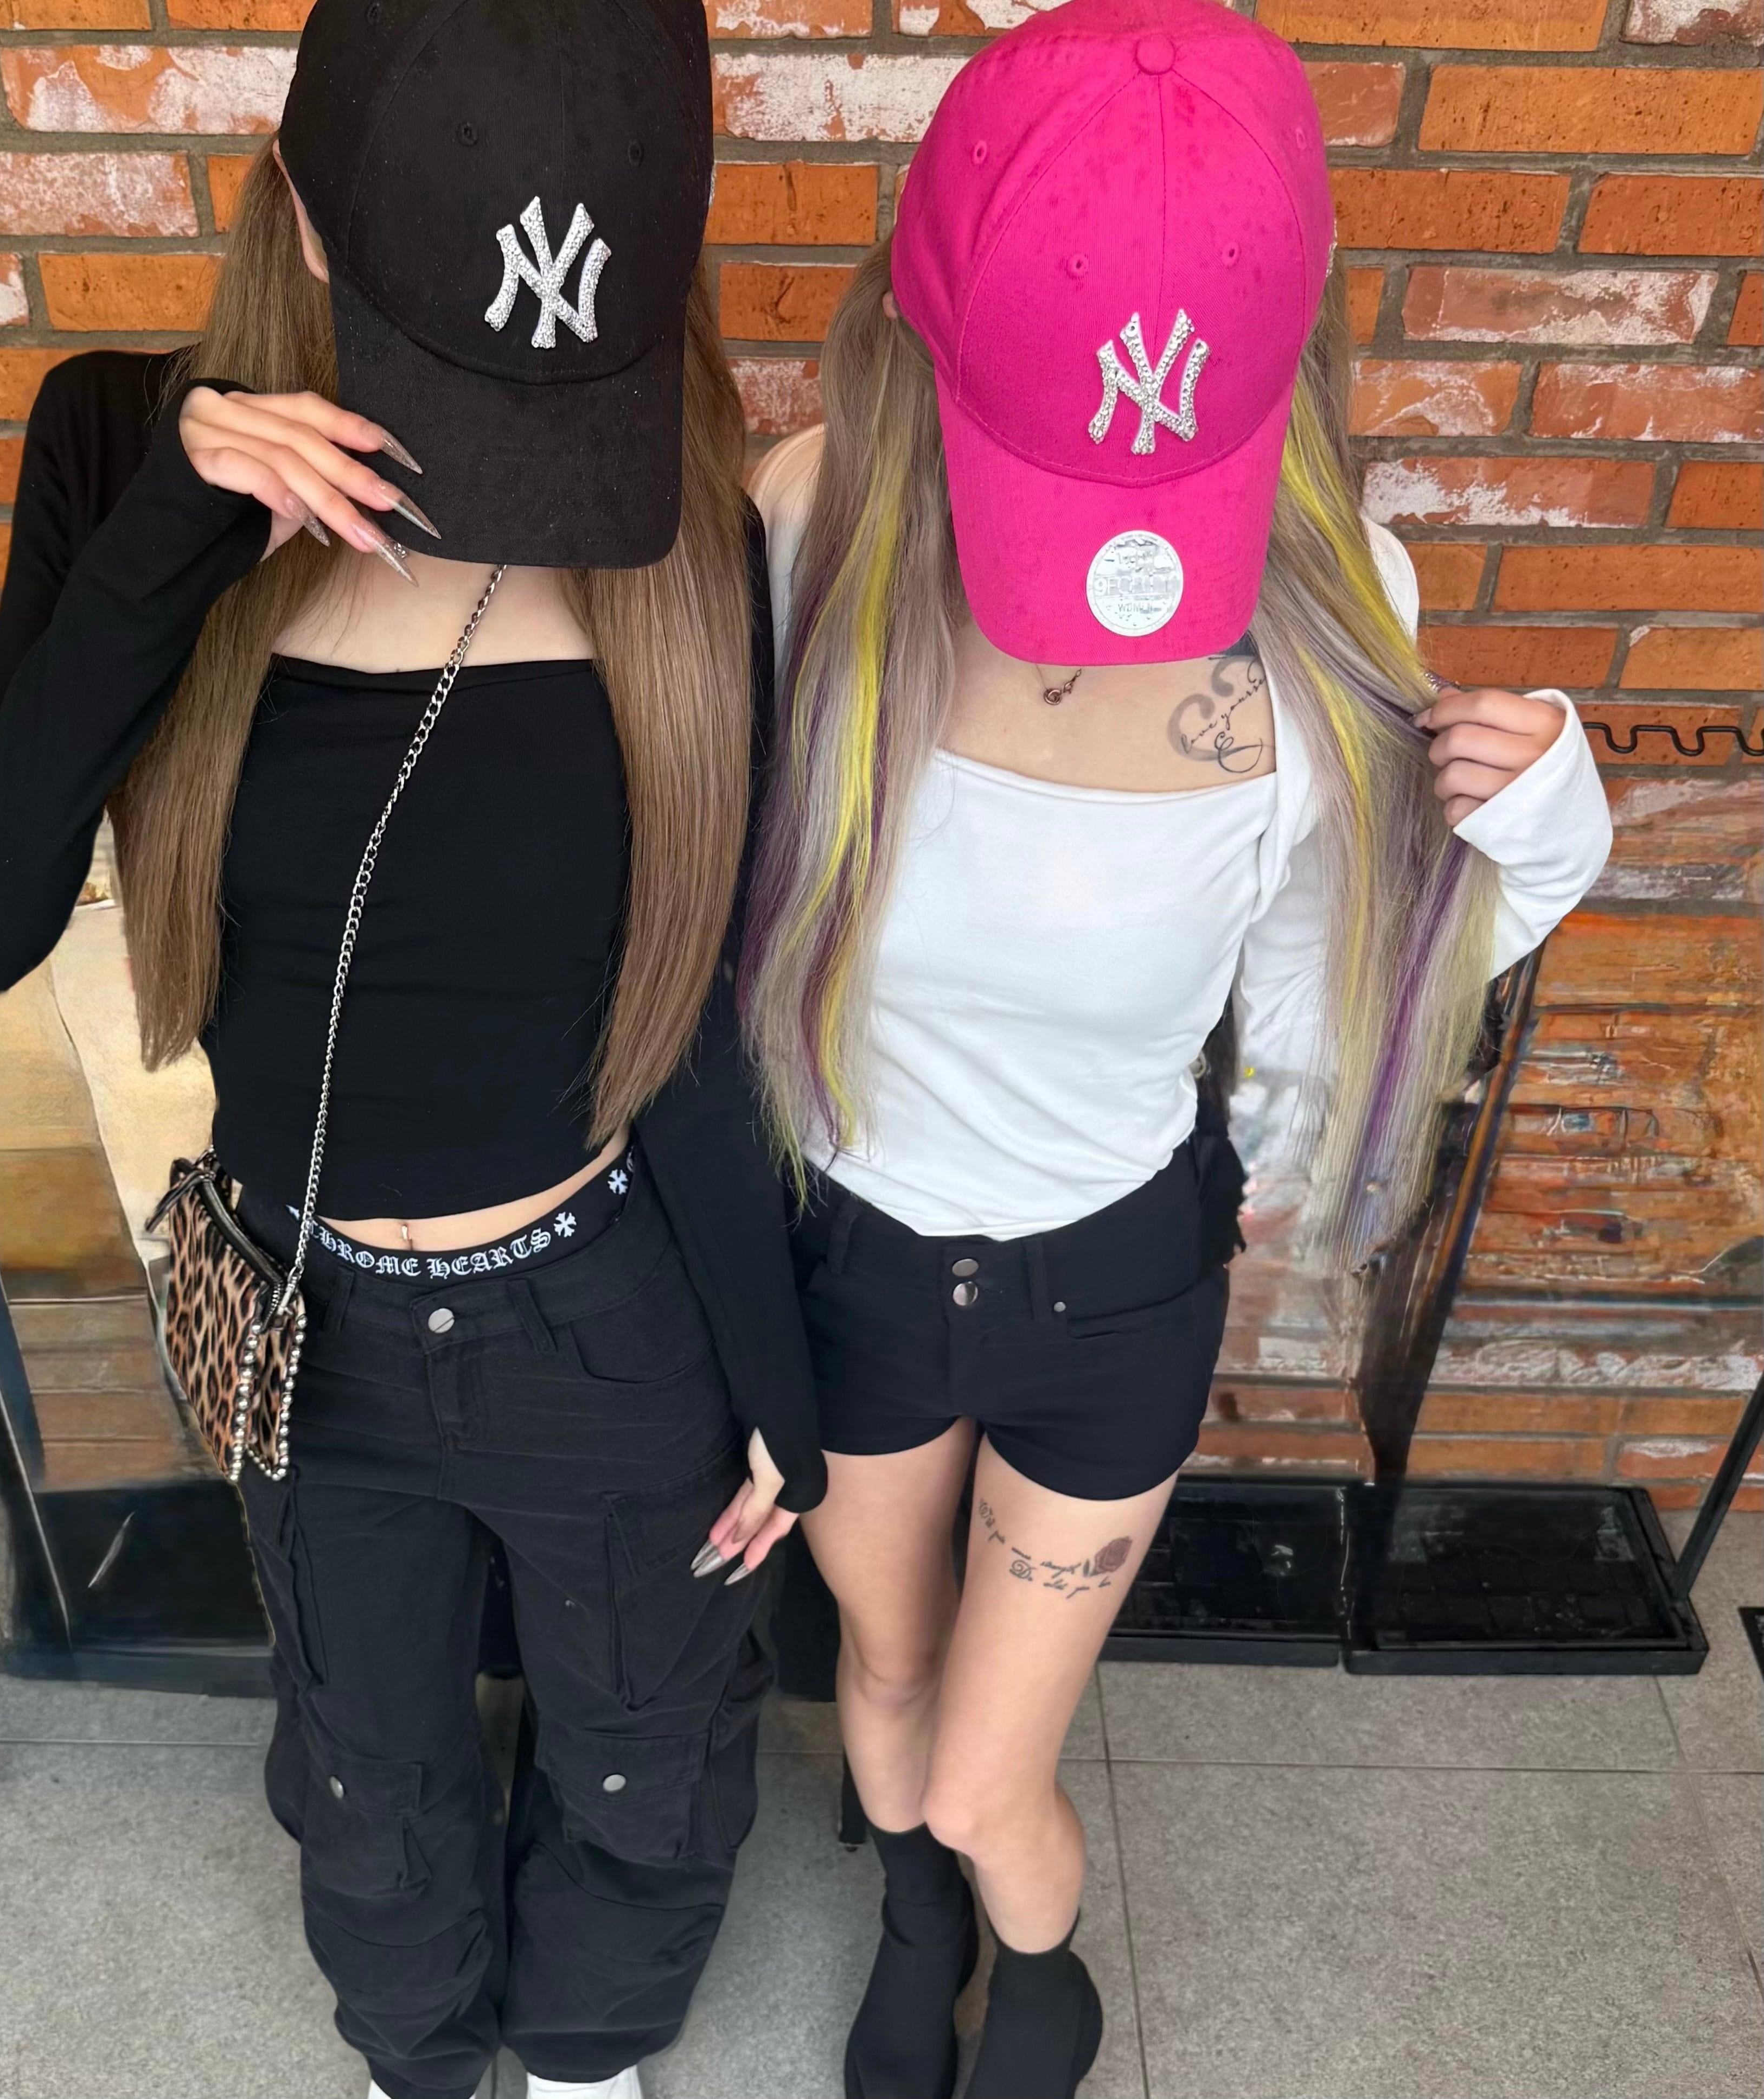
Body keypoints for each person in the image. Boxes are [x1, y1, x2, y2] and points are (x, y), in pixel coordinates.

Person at [0, 4, 821, 2095]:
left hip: (609, 1319)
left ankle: (583, 2059)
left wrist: (784, 1389)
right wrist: (182, 526)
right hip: (303, 1313)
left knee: (647, 1754)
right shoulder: (118, 442)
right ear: (306, 211)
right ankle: (423, 2062)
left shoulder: (688, 529)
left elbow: (694, 1012)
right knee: (364, 1777)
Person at [738, 4, 1614, 2095]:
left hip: (1109, 1288)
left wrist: (1544, 844)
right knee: (884, 1679)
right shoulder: (805, 525)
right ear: (926, 323)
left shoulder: (1342, 599)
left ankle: (1037, 1971)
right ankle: (919, 1923)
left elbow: (1337, 988)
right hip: (849, 1260)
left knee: (984, 1770)